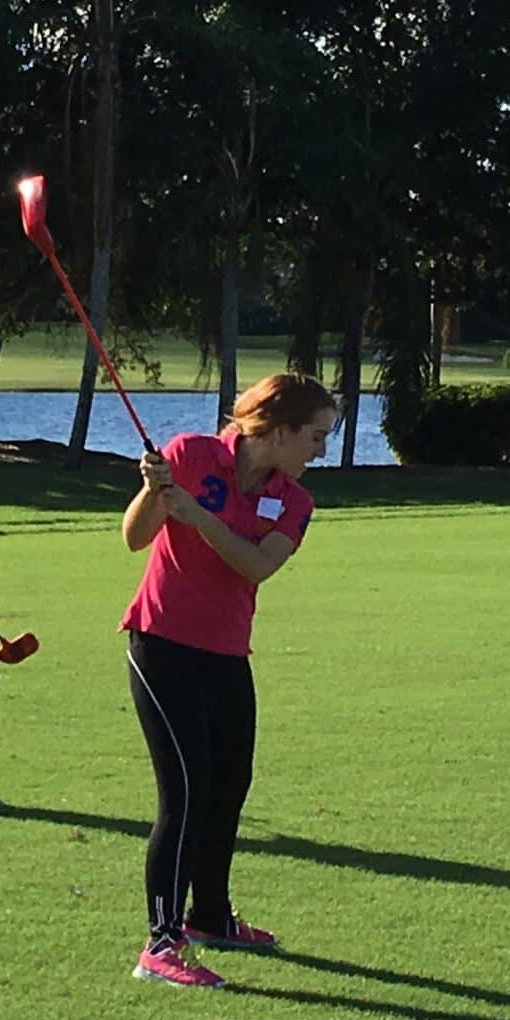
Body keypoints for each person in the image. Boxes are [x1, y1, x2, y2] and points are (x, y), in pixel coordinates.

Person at [120, 371, 337, 986]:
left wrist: (197, 515)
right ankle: (161, 945)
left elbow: (257, 564)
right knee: (184, 791)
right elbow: (135, 538)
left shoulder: (294, 500)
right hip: (160, 644)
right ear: (280, 429)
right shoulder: (190, 454)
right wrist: (154, 495)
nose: (320, 450)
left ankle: (210, 915)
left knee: (228, 786)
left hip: (225, 653)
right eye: (315, 437)